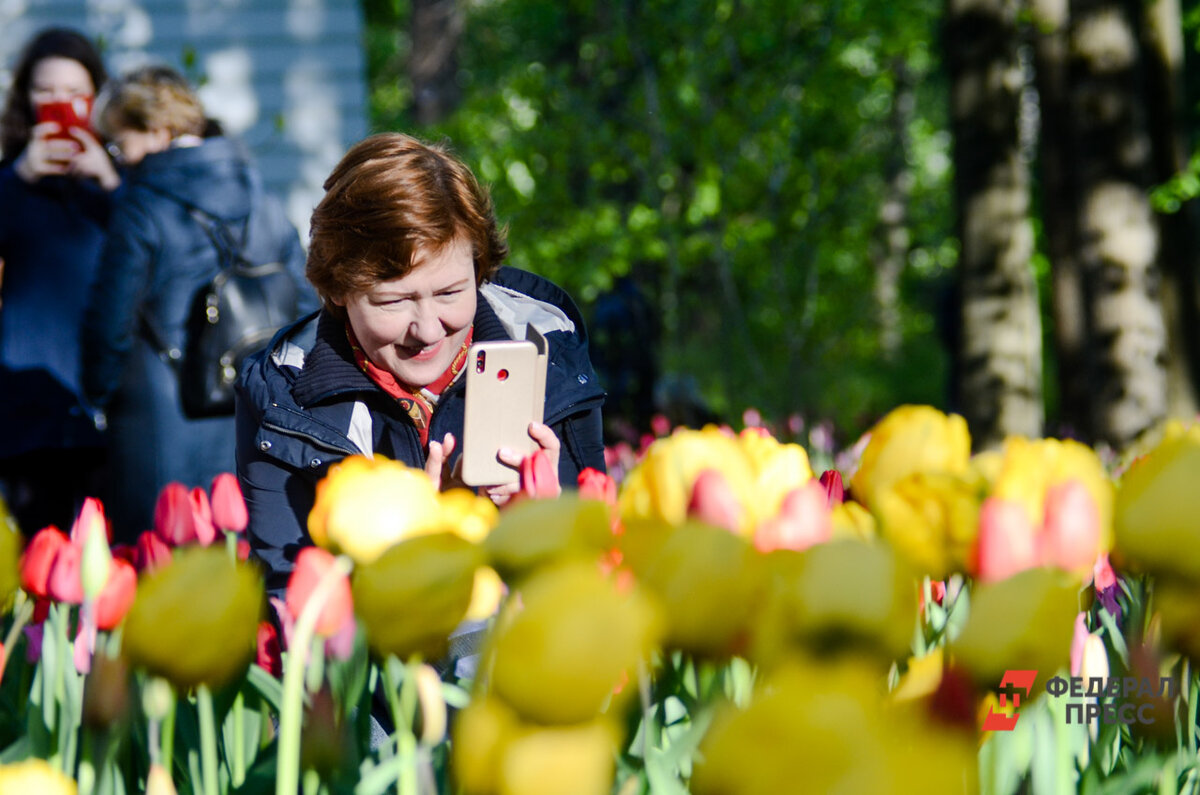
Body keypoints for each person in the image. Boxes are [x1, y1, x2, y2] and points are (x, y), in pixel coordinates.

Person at [236, 132, 606, 597]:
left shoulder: (548, 347)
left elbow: (593, 579)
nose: (428, 330)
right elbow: (292, 602)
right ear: (337, 289)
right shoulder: (282, 394)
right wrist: (406, 552)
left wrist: (543, 528)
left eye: (450, 292)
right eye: (393, 301)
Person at [81, 64, 314, 541]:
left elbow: (111, 319)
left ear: (158, 131)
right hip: (254, 408)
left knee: (162, 565)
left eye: (120, 143)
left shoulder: (142, 205)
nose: (120, 158)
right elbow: (306, 297)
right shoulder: (258, 191)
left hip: (160, 417)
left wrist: (97, 393)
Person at [0, 28, 121, 534]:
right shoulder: (9, 177)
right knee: (38, 553)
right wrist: (20, 175)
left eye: (74, 92)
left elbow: (152, 251)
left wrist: (110, 179)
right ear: (25, 97)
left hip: (108, 394)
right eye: (45, 90)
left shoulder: (120, 178)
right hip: (27, 389)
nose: (59, 103)